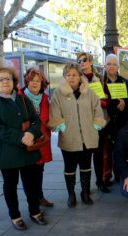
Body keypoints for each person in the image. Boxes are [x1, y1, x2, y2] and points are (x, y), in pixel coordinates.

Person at [49, 62, 106, 207]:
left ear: (80, 76)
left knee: (86, 166)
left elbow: (97, 110)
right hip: (69, 137)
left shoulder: (90, 92)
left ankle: (85, 193)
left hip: (88, 136)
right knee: (69, 167)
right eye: (68, 75)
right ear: (64, 77)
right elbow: (55, 112)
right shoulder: (58, 93)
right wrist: (61, 126)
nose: (71, 77)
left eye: (74, 74)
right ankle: (71, 194)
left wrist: (96, 125)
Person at [0, 66, 47, 230]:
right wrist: (21, 137)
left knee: (31, 183)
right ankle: (15, 215)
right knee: (10, 185)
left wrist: (32, 134)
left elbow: (36, 120)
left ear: (14, 81)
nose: (5, 81)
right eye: (1, 79)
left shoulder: (22, 98)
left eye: (8, 78)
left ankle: (35, 211)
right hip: (8, 153)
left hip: (28, 152)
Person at [19, 68, 53, 207]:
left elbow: (47, 117)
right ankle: (32, 203)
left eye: (38, 81)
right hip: (27, 139)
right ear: (27, 81)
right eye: (32, 80)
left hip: (42, 140)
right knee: (28, 174)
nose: (34, 83)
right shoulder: (20, 96)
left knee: (39, 170)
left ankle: (39, 197)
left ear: (42, 83)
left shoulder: (44, 98)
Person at [77, 52, 110, 193]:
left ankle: (100, 181)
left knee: (98, 154)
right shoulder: (77, 79)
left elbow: (106, 96)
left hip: (99, 120)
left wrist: (104, 100)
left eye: (84, 60)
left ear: (90, 61)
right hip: (84, 122)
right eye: (79, 61)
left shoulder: (100, 78)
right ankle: (85, 186)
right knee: (85, 156)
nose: (81, 62)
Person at [103, 53, 128, 185]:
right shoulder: (100, 82)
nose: (111, 67)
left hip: (121, 123)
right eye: (109, 64)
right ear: (105, 66)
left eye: (114, 64)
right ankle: (106, 176)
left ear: (118, 67)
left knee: (120, 150)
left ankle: (119, 174)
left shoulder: (124, 82)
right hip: (105, 123)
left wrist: (125, 103)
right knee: (106, 152)